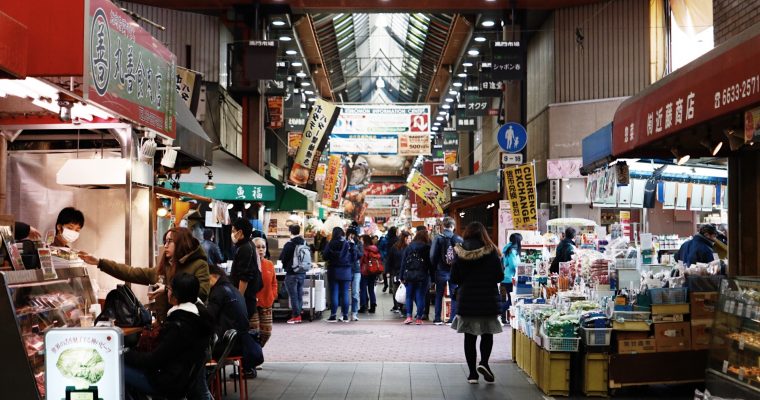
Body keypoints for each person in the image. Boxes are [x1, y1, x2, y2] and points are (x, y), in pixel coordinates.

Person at [79, 227, 210, 321]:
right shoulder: (165, 267)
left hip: (188, 327)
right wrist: (99, 262)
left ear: (181, 243)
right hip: (165, 324)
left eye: (169, 241)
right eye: (165, 241)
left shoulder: (199, 264)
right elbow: (130, 273)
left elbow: (202, 293)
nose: (165, 245)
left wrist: (167, 289)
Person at [124, 273, 214, 398]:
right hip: (180, 380)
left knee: (117, 368)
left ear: (176, 297)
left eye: (169, 289)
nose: (167, 292)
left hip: (167, 383)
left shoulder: (179, 326)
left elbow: (153, 360)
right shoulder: (199, 317)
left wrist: (125, 354)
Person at [450, 221, 505, 384]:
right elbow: (499, 277)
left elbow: (454, 278)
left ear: (467, 233)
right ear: (483, 234)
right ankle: (484, 363)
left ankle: (472, 374)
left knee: (470, 336)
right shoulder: (492, 250)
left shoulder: (459, 251)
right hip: (488, 298)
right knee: (487, 333)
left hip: (467, 298)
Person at [206, 264, 261, 379]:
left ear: (214, 276)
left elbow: (208, 316)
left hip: (228, 344)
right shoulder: (233, 289)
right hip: (239, 341)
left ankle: (205, 387)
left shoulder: (218, 292)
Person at [430, 217, 463, 325]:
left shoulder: (438, 238)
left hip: (441, 270)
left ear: (443, 226)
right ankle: (452, 319)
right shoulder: (458, 238)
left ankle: (437, 318)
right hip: (455, 270)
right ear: (453, 226)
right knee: (454, 294)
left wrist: (434, 267)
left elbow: (432, 255)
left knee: (439, 294)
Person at [229, 218, 263, 324]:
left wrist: (239, 299)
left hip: (246, 299)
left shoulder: (246, 248)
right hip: (246, 298)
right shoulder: (245, 246)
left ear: (240, 232)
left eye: (233, 231)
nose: (232, 234)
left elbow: (244, 277)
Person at [322, 227, 357, 322]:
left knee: (334, 293)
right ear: (342, 233)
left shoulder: (330, 244)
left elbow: (324, 256)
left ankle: (333, 315)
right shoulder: (347, 243)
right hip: (346, 271)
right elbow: (354, 258)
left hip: (333, 270)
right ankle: (345, 315)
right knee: (345, 293)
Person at [400, 230, 433, 325]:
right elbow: (430, 264)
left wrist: (401, 276)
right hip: (423, 276)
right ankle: (419, 318)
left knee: (409, 296)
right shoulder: (427, 248)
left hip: (409, 276)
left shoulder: (409, 247)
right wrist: (433, 278)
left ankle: (409, 317)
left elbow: (404, 262)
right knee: (420, 297)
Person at [279, 224, 307, 324]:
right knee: (299, 294)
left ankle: (296, 316)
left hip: (291, 273)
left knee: (293, 296)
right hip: (302, 272)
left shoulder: (289, 244)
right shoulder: (304, 243)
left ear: (290, 232)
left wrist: (285, 265)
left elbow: (282, 257)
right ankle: (299, 312)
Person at [252, 237, 277, 346]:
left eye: (263, 247)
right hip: (252, 303)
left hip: (266, 302)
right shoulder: (249, 263)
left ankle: (257, 350)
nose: (261, 250)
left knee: (266, 332)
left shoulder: (269, 264)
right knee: (254, 331)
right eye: (258, 247)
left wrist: (272, 295)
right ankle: (254, 356)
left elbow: (274, 282)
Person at [386, 231, 411, 314]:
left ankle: (399, 307)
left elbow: (389, 259)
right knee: (403, 290)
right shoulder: (409, 248)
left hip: (397, 272)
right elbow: (390, 259)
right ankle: (402, 307)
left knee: (397, 290)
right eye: (409, 238)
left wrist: (388, 271)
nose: (410, 240)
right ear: (405, 238)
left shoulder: (395, 247)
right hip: (403, 271)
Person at [501, 233, 522, 326]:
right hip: (510, 278)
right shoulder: (512, 251)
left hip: (508, 277)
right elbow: (514, 265)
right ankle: (496, 313)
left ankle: (501, 316)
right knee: (511, 300)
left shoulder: (509, 249)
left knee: (510, 299)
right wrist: (521, 269)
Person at [359, 235, 381, 314]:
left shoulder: (364, 249)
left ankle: (363, 306)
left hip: (365, 271)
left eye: (361, 240)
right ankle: (373, 305)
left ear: (364, 240)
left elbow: (361, 260)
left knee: (363, 289)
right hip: (373, 271)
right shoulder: (374, 248)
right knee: (371, 289)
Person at [347, 226, 364, 319]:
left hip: (357, 270)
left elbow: (359, 255)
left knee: (355, 292)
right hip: (346, 270)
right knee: (345, 292)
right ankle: (344, 313)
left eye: (353, 234)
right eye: (350, 234)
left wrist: (353, 246)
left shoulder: (359, 243)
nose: (351, 236)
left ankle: (354, 312)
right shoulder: (345, 243)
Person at [378, 227, 397, 293]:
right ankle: (387, 285)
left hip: (390, 257)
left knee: (390, 272)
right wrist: (383, 256)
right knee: (385, 272)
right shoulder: (385, 239)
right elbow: (380, 248)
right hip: (386, 258)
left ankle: (390, 287)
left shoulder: (394, 239)